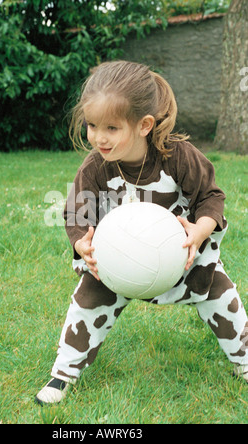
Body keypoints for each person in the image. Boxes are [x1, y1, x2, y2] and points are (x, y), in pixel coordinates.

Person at [35, 61, 248, 405]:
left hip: (183, 256)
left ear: (144, 125)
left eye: (111, 128)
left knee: (222, 297)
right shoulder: (95, 167)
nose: (98, 137)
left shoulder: (176, 155)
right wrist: (81, 243)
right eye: (91, 125)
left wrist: (198, 231)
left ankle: (244, 359)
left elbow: (212, 197)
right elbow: (76, 211)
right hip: (116, 261)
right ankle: (64, 373)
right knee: (86, 304)